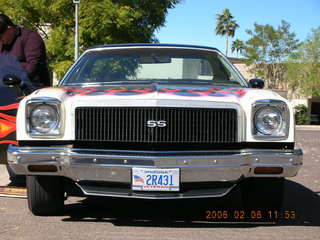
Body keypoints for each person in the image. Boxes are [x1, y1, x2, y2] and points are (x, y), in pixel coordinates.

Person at [0, 13, 50, 86]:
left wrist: (16, 80)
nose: (0, 41)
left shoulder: (31, 37)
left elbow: (34, 65)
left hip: (33, 87)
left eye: (0, 37)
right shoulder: (2, 42)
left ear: (10, 29)